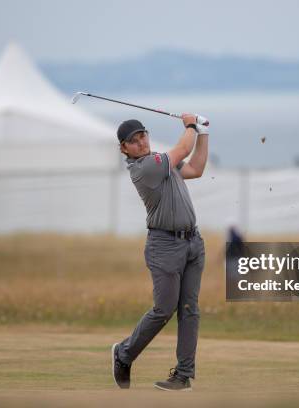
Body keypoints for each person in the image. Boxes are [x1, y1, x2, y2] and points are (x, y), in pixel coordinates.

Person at [112, 114, 209, 391]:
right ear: (124, 148)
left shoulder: (160, 162)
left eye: (143, 135)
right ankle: (124, 353)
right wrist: (190, 124)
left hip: (192, 242)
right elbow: (182, 149)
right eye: (134, 140)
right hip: (164, 245)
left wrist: (203, 132)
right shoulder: (145, 167)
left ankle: (183, 375)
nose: (141, 141)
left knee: (190, 311)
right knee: (164, 309)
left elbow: (197, 168)